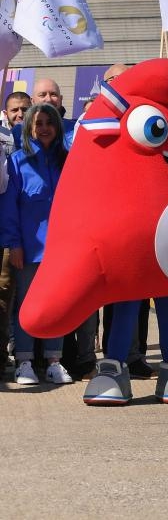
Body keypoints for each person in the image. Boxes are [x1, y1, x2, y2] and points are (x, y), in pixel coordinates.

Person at [1, 103, 73, 385]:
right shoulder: (17, 161)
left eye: (49, 123)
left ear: (57, 126)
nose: (44, 128)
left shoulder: (67, 160)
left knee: (57, 305)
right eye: (38, 123)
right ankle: (25, 361)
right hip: (29, 249)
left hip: (62, 249)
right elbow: (9, 210)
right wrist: (14, 244)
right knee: (27, 306)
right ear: (30, 127)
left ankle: (54, 360)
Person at [98, 64, 155, 380]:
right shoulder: (95, 120)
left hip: (142, 221)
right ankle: (112, 355)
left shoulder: (145, 119)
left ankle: (135, 355)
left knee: (138, 293)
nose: (122, 84)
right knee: (111, 294)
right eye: (115, 79)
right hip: (108, 221)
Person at [0, 91, 28, 372]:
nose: (19, 114)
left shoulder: (34, 141)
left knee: (9, 293)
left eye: (24, 109)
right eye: (14, 110)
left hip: (18, 233)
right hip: (7, 230)